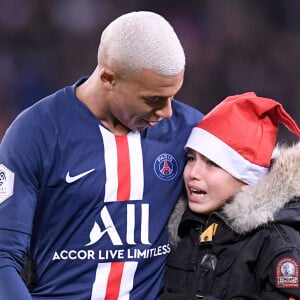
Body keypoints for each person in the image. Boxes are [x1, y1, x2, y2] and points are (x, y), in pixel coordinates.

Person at [0, 11, 203, 299]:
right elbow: (3, 257)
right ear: (109, 77)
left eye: (172, 96)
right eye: (153, 99)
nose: (168, 112)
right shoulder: (37, 132)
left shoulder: (191, 133)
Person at [161, 92, 300, 299]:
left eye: (212, 163)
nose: (193, 173)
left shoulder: (277, 243)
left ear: (247, 181)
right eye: (191, 158)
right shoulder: (180, 227)